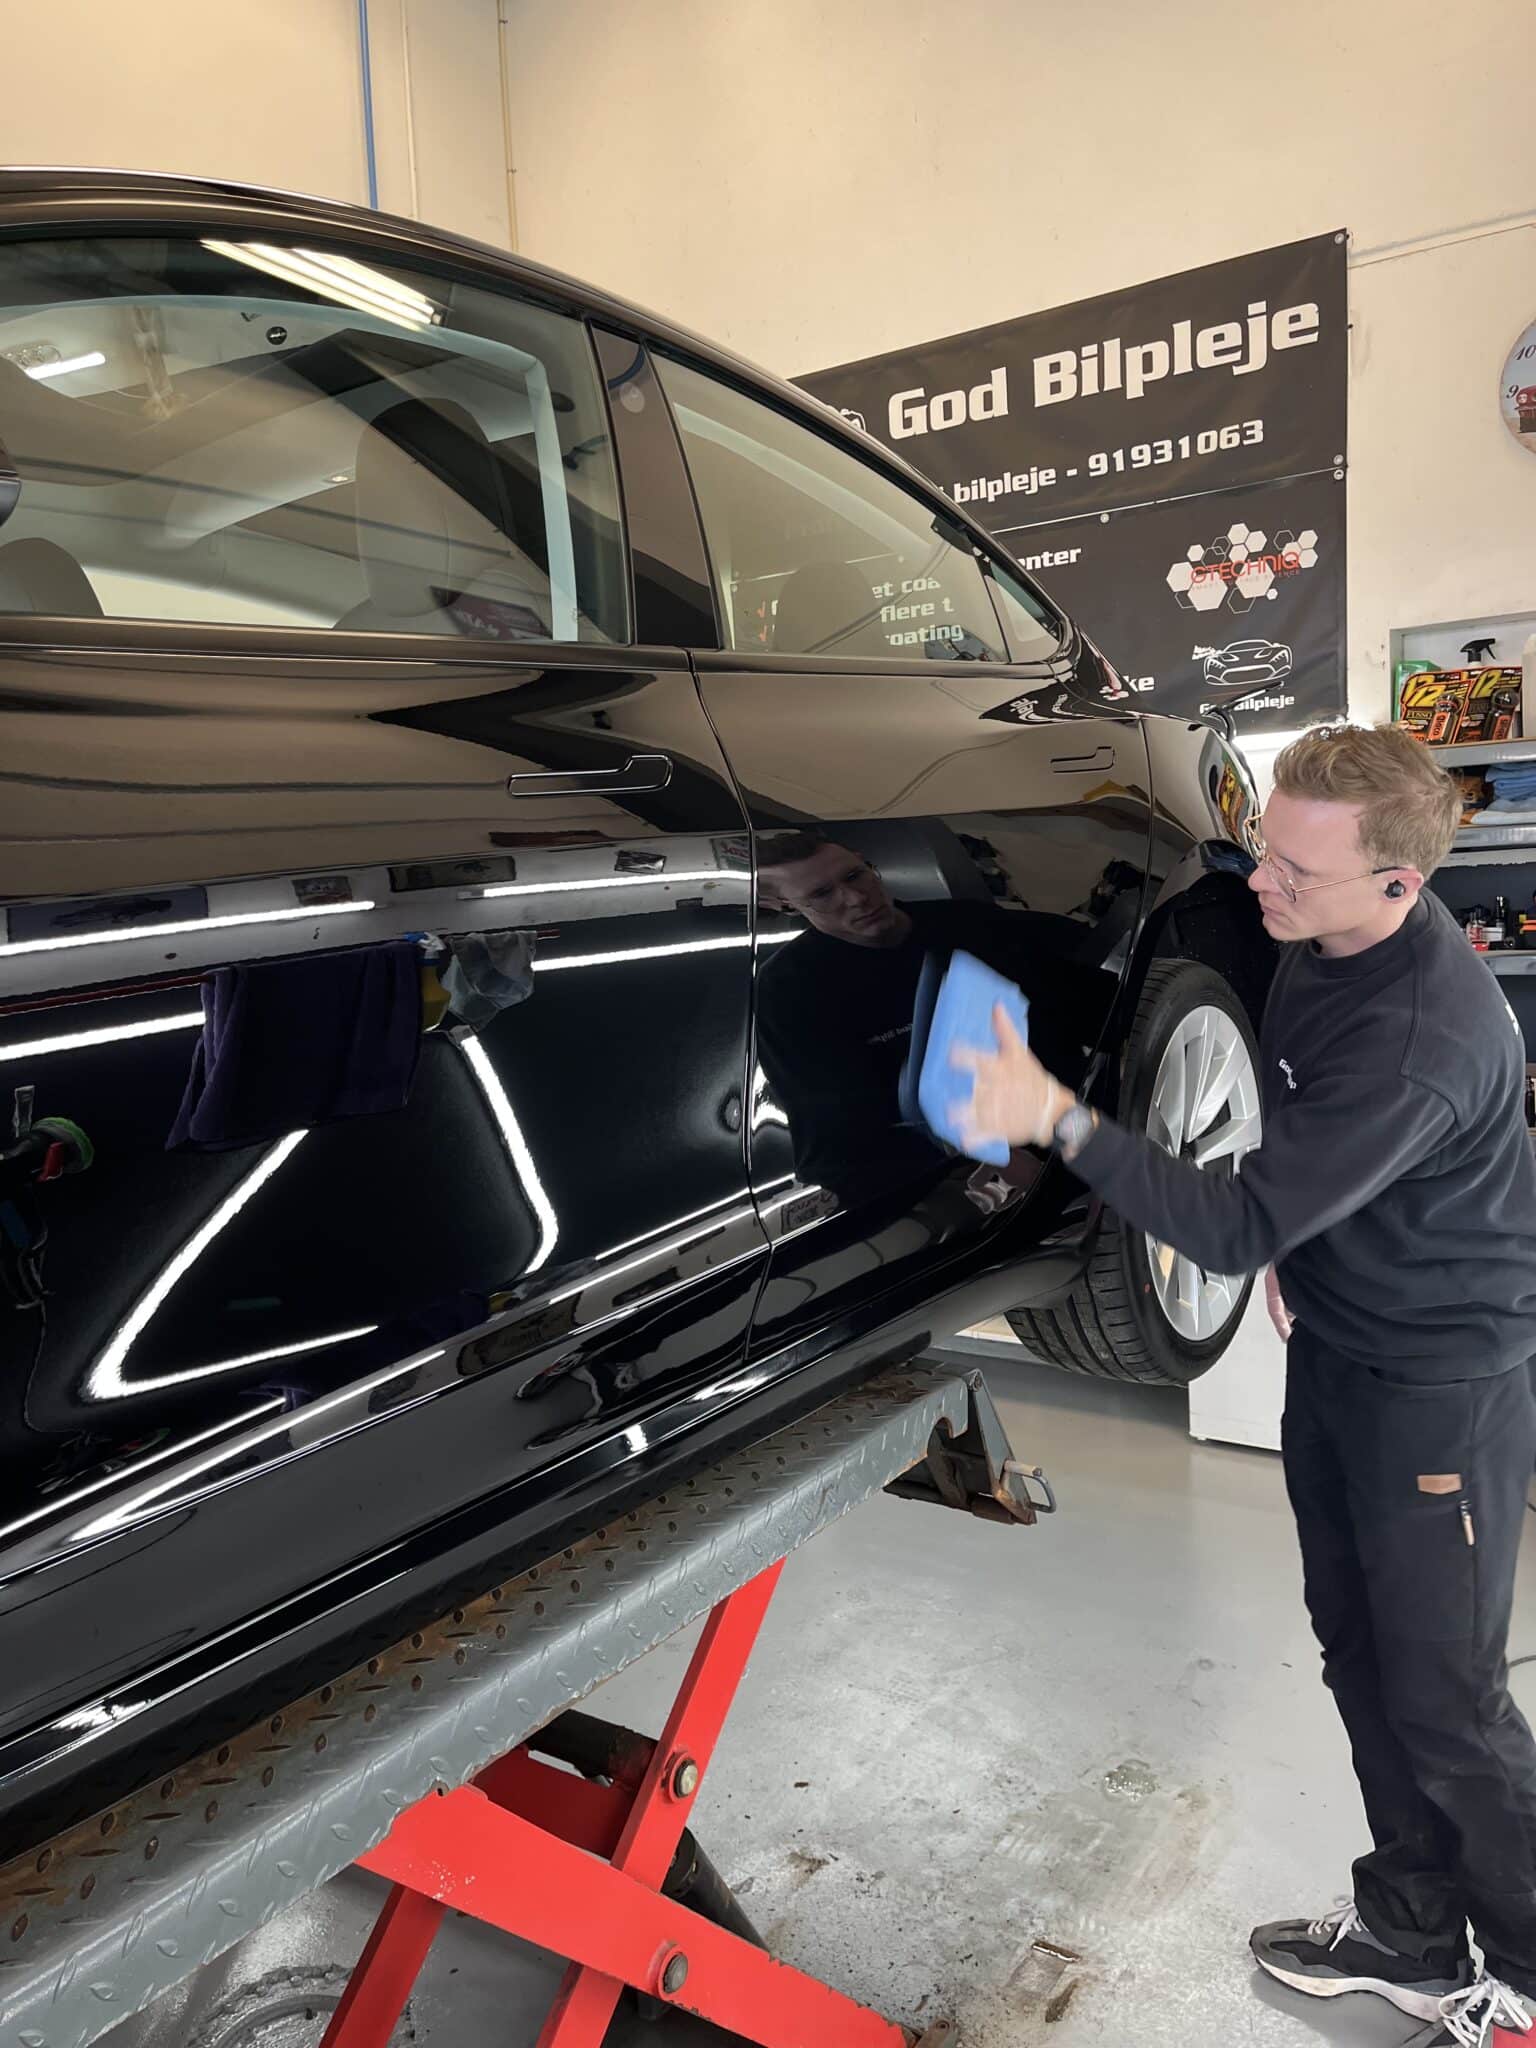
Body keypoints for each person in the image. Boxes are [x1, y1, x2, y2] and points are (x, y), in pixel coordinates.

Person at [954, 725, 1536, 2048]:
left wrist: (1057, 1114)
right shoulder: (1320, 935)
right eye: (1265, 849)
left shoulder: (1420, 1034)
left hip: (1440, 1386)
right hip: (1342, 1346)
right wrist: (1308, 1237)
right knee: (1359, 1656)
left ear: (1397, 883)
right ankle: (1412, 1930)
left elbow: (1225, 1226)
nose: (1258, 883)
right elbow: (1291, 1150)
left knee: (1448, 1700)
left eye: (1292, 871)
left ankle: (1528, 1964)